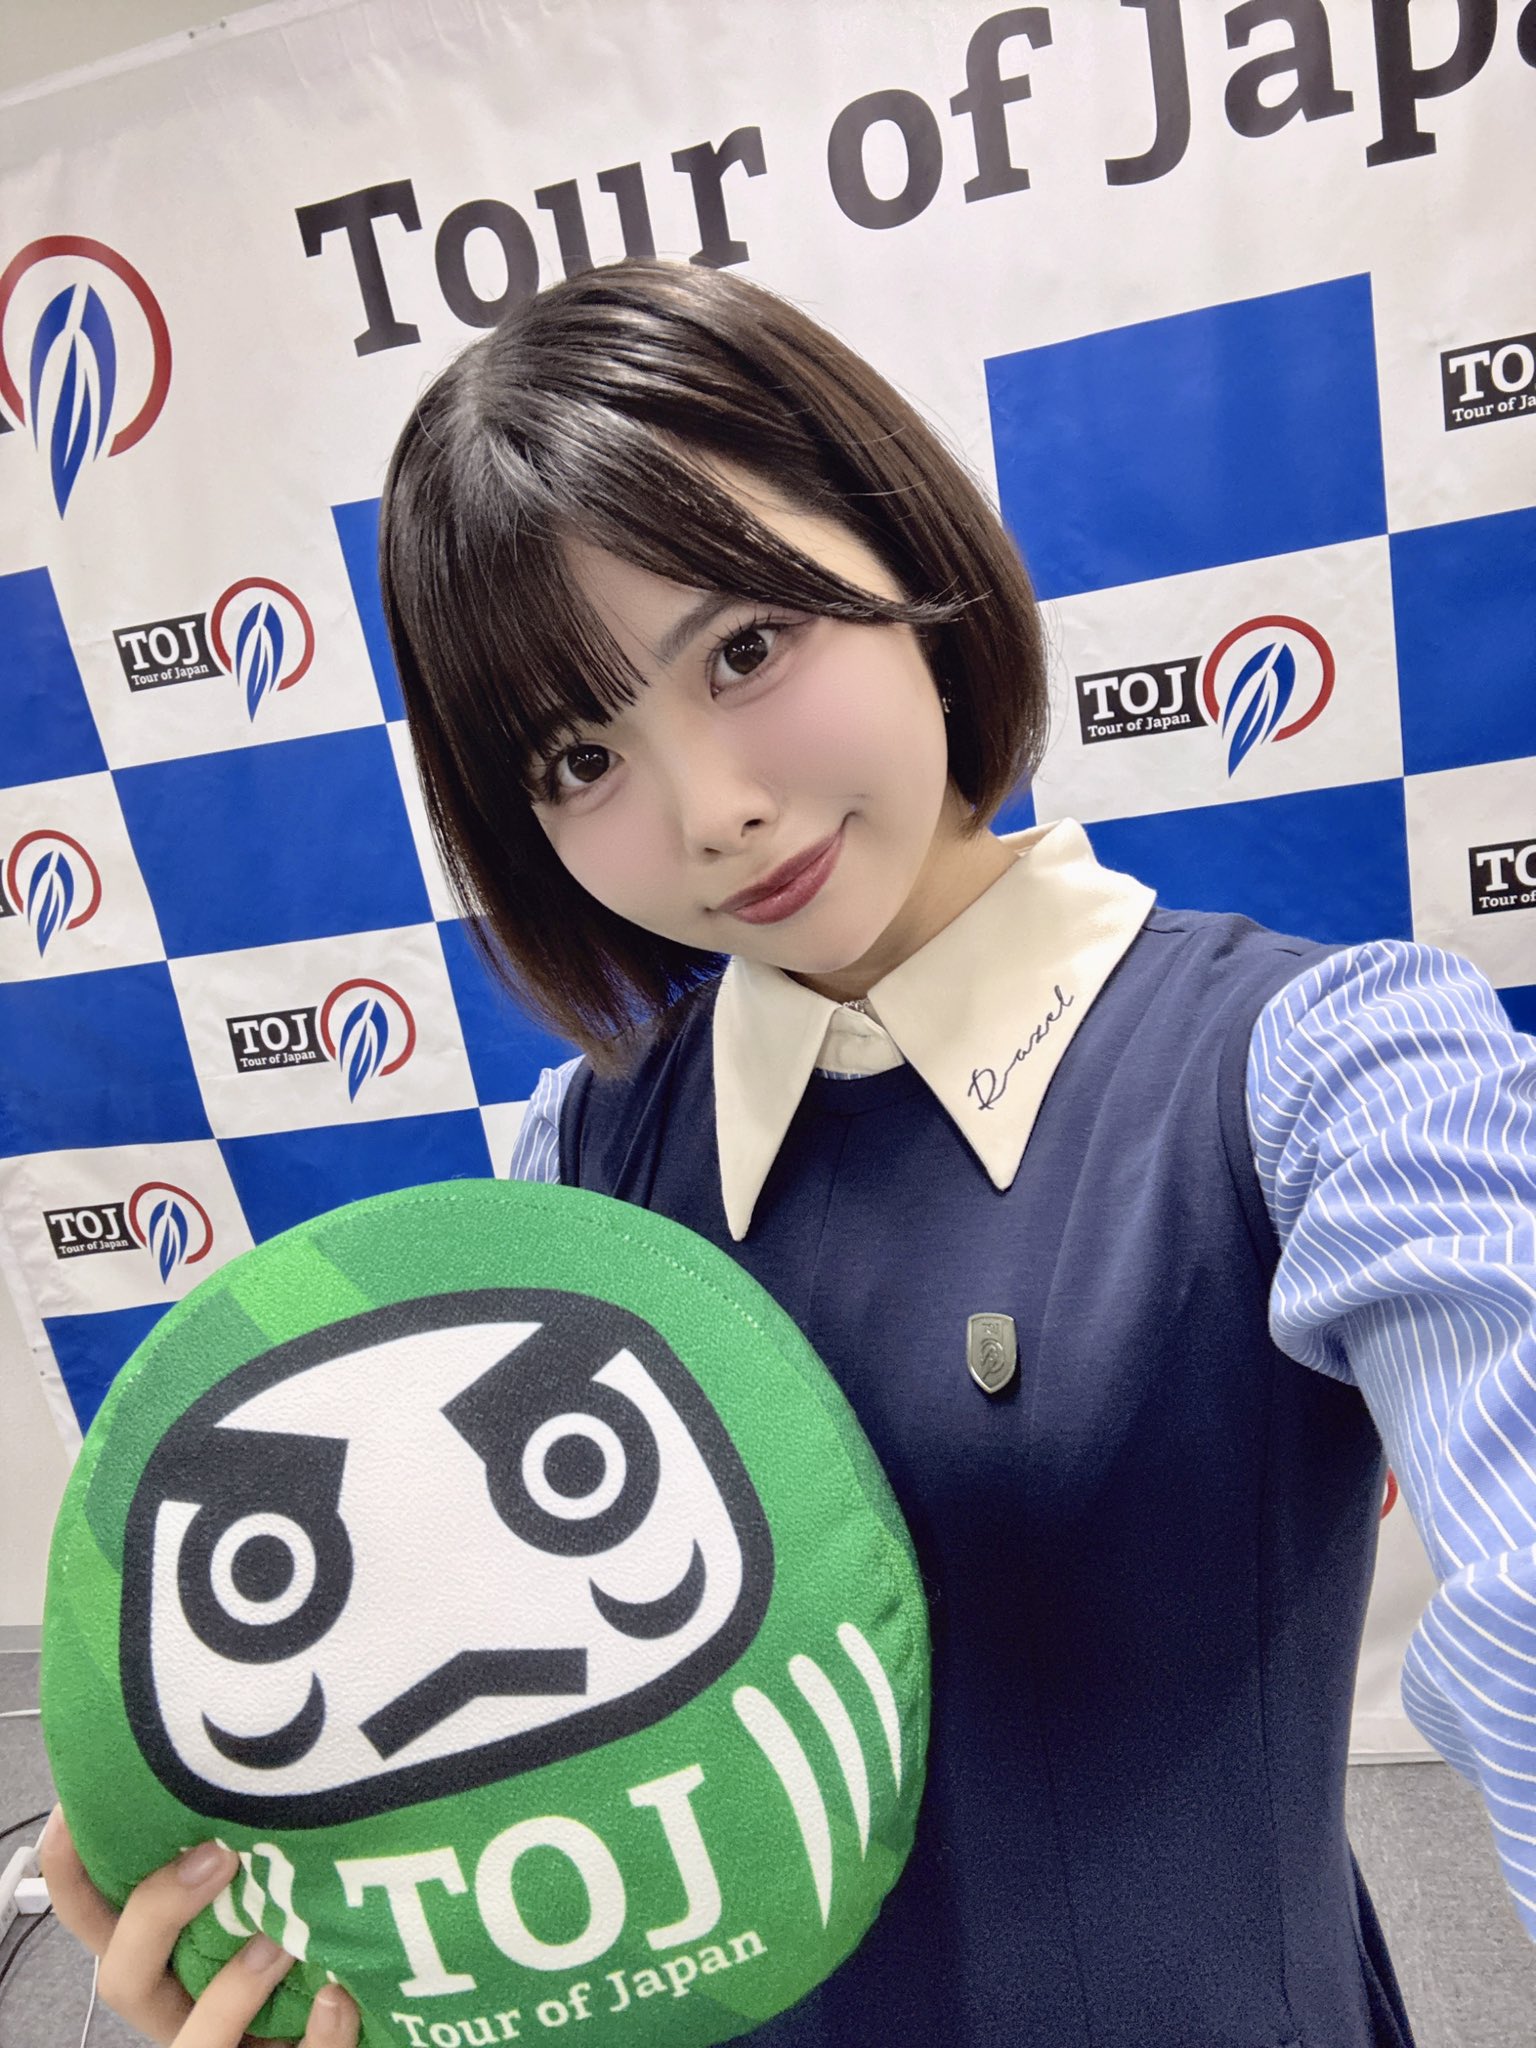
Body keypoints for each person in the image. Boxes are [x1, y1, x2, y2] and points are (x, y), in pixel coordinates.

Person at [43, 259, 1536, 2047]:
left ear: (902, 553)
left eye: (745, 648)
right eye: (579, 756)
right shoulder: (578, 1164)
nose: (714, 812)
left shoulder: (1327, 1065)